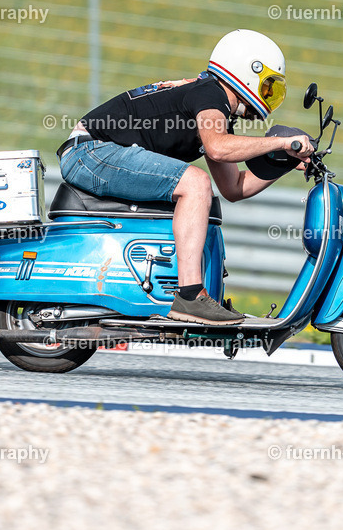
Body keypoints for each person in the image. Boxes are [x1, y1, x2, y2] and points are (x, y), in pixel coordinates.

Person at [57, 29, 313, 325]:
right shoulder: (210, 94)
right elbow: (218, 148)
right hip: (90, 152)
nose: (269, 95)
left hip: (94, 154)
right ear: (247, 71)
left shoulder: (213, 106)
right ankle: (190, 296)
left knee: (200, 188)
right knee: (196, 183)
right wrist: (280, 142)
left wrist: (283, 162)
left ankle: (186, 293)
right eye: (268, 86)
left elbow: (234, 188)